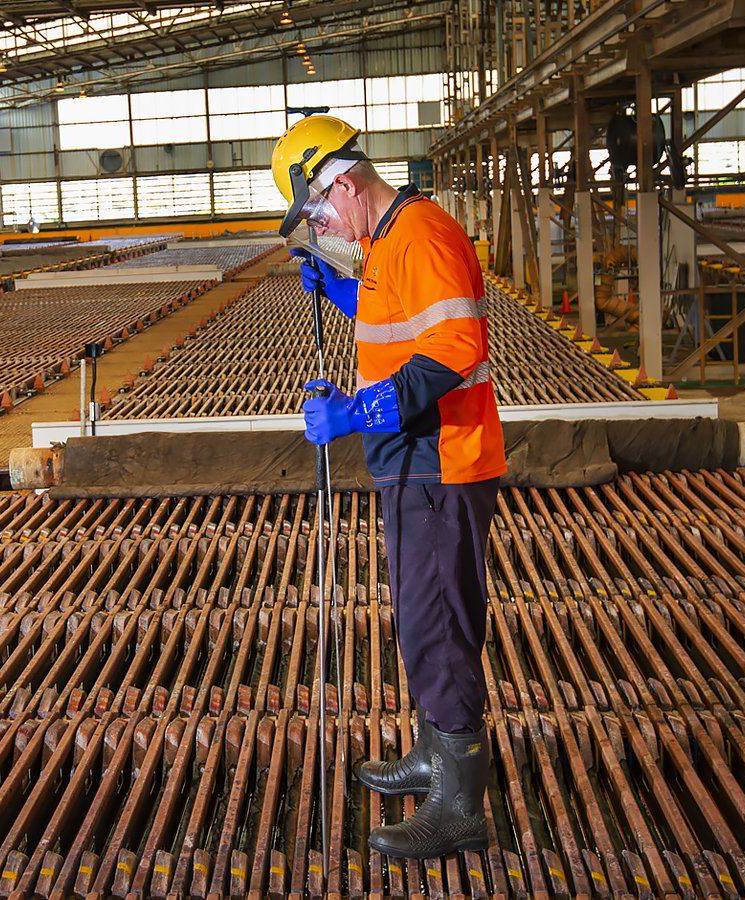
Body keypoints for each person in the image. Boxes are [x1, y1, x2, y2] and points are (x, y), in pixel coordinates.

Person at [272, 115, 506, 860]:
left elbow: (455, 351)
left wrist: (354, 411)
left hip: (440, 461)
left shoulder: (421, 234)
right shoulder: (384, 244)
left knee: (438, 623)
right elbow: (396, 322)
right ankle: (432, 756)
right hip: (414, 462)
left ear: (341, 180)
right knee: (420, 616)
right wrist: (343, 288)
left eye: (316, 212)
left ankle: (461, 806)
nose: (321, 225)